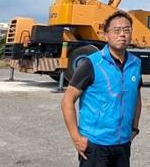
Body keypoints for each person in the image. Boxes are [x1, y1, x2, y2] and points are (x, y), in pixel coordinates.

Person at [61, 10, 143, 167]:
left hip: (123, 144)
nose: (122, 35)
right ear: (106, 35)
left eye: (127, 30)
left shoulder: (135, 64)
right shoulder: (91, 64)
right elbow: (67, 101)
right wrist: (76, 138)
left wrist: (134, 128)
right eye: (116, 30)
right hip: (95, 145)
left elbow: (136, 98)